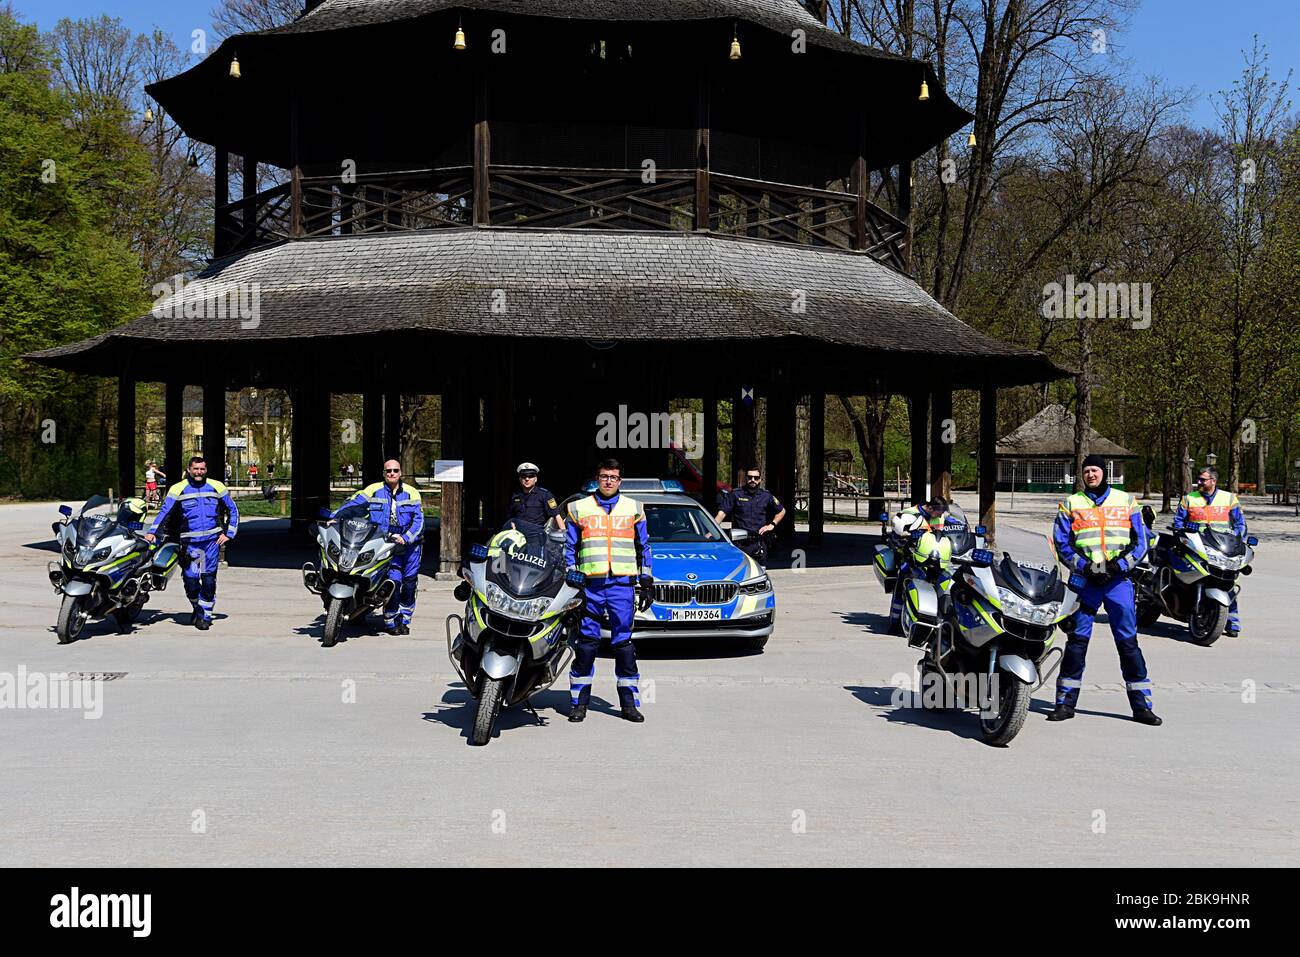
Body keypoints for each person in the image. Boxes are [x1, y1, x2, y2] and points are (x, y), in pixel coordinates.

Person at [1049, 454, 1160, 725]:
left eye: (1095, 470)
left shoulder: (1126, 501)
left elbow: (1141, 541)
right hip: (1085, 581)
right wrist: (1084, 566)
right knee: (1076, 643)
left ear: (1104, 473)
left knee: (1128, 643)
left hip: (1117, 581)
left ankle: (1142, 706)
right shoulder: (1070, 504)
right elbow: (1061, 542)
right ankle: (1065, 703)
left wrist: (1119, 567)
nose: (1091, 475)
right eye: (1086, 471)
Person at [565, 458, 652, 724]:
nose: (608, 481)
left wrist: (647, 580)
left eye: (613, 477)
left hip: (621, 586)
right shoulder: (578, 508)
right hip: (590, 586)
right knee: (587, 645)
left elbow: (644, 547)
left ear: (620, 480)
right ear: (597, 478)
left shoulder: (634, 508)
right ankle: (579, 704)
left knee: (623, 645)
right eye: (604, 476)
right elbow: (569, 549)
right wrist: (572, 580)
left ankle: (629, 705)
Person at [144, 455, 239, 631]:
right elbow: (164, 513)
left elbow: (233, 510)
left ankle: (206, 615)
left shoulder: (217, 486)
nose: (199, 472)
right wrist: (152, 532)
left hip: (211, 543)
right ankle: (198, 608)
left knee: (209, 580)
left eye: (202, 469)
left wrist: (229, 533)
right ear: (189, 469)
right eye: (195, 469)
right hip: (191, 545)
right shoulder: (178, 488)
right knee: (191, 581)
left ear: (206, 470)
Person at [334, 459, 423, 634]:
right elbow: (353, 503)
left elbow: (419, 521)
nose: (392, 473)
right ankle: (390, 621)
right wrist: (334, 517)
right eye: (388, 470)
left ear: (401, 472)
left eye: (395, 470)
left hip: (410, 545)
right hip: (386, 543)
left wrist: (406, 538)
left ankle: (405, 619)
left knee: (410, 583)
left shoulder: (412, 493)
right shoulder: (373, 489)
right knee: (393, 582)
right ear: (384, 473)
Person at [1175, 466, 1247, 636]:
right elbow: (1178, 523)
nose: (1199, 482)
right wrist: (1184, 530)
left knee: (1227, 582)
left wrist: (1237, 539)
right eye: (1199, 479)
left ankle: (1232, 620)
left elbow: (1240, 524)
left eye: (1203, 479)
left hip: (1220, 547)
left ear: (1213, 481)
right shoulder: (1188, 499)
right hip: (1196, 545)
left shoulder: (1229, 498)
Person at [887, 496, 950, 628]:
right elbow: (896, 539)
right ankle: (894, 622)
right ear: (931, 508)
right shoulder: (910, 516)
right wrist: (906, 542)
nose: (940, 515)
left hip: (930, 556)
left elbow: (943, 533)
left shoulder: (938, 517)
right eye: (939, 512)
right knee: (902, 578)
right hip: (908, 556)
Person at [714, 467, 785, 566]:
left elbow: (782, 511)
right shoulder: (735, 494)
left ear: (760, 479)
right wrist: (711, 531)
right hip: (739, 544)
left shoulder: (766, 496)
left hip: (758, 543)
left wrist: (772, 525)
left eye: (756, 478)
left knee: (759, 573)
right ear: (746, 478)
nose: (753, 480)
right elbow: (722, 514)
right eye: (750, 477)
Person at [507, 462, 563, 528]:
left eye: (530, 476)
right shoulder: (515, 495)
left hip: (536, 533)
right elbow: (511, 517)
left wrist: (563, 534)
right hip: (518, 533)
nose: (527, 479)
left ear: (535, 479)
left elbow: (556, 515)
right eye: (523, 476)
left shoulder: (545, 495)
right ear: (520, 479)